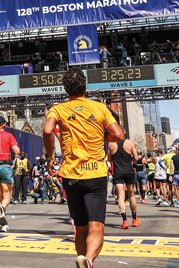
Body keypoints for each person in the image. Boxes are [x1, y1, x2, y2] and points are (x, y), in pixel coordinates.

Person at [42, 68, 125, 268]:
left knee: (80, 228)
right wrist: (100, 136)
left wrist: (50, 156)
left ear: (65, 89)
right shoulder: (99, 108)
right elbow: (118, 135)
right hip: (95, 175)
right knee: (96, 228)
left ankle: (83, 261)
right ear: (85, 87)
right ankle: (87, 260)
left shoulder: (58, 109)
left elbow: (47, 129)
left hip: (71, 176)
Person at [109, 139, 140, 228]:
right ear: (124, 132)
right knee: (132, 195)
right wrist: (128, 158)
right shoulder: (130, 143)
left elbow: (110, 158)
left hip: (118, 171)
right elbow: (136, 158)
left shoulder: (111, 144)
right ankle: (134, 219)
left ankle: (125, 221)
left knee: (120, 197)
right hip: (128, 171)